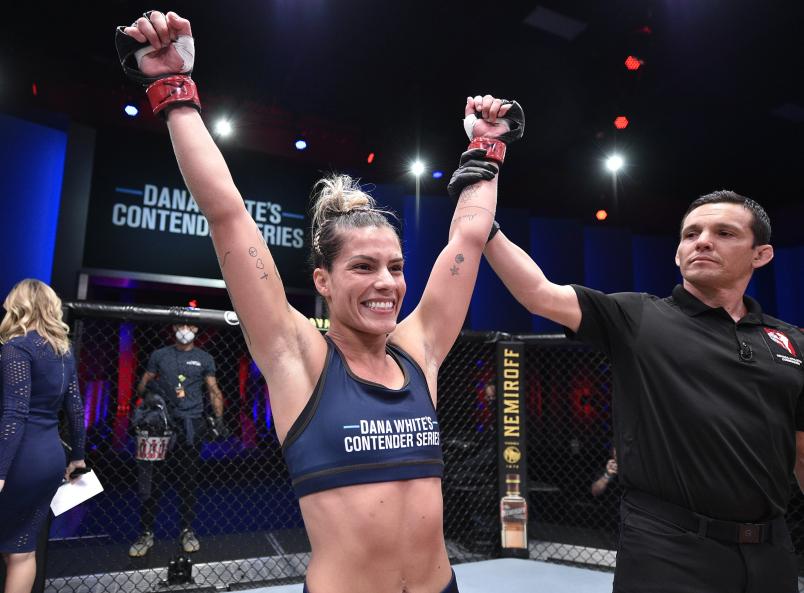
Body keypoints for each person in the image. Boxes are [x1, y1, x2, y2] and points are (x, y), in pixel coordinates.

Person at [115, 10, 523, 592]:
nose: (387, 282)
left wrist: (487, 146)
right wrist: (172, 89)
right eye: (362, 266)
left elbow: (467, 238)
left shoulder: (419, 351)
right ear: (323, 280)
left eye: (395, 267)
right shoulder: (297, 358)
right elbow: (227, 213)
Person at [476, 188, 804, 592]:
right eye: (691, 234)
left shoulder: (789, 343)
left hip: (771, 552)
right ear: (677, 253)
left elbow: (800, 449)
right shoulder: (638, 316)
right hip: (668, 549)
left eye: (724, 233)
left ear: (761, 254)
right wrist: (484, 226)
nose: (702, 241)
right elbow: (539, 294)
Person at [0, 279, 86, 593]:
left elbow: (15, 413)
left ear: (18, 305)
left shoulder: (16, 346)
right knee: (22, 550)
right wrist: (78, 455)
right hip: (50, 459)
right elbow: (75, 407)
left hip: (19, 459)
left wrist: (0, 471)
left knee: (16, 548)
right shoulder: (63, 352)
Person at [128, 323, 226, 557]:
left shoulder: (204, 357)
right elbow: (142, 385)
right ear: (173, 328)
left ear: (196, 329)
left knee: (188, 481)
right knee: (152, 482)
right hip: (160, 426)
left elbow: (213, 390)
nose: (185, 329)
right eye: (181, 325)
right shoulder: (160, 355)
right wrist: (151, 388)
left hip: (191, 424)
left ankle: (186, 531)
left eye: (189, 325)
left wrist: (219, 420)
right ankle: (146, 533)